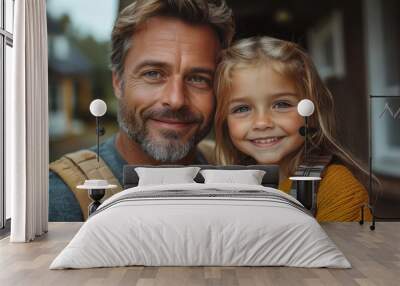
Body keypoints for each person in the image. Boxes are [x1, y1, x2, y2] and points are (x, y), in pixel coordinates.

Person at [49, 0, 234, 221]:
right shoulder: (59, 199)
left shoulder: (233, 171)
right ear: (118, 82)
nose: (176, 100)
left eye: (198, 79)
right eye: (153, 74)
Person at [214, 36, 371, 222]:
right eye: (242, 108)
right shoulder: (222, 186)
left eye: (281, 104)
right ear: (224, 120)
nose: (262, 122)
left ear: (312, 112)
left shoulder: (336, 188)